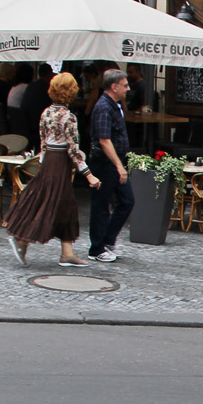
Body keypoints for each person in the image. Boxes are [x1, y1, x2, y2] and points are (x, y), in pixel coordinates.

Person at [4, 72, 102, 268]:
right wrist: (89, 175)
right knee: (51, 204)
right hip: (59, 163)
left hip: (49, 160)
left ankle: (67, 253)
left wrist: (41, 163)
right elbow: (73, 150)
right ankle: (22, 240)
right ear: (71, 91)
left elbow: (43, 143)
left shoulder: (46, 113)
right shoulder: (69, 117)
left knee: (63, 205)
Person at [87, 67, 134, 262]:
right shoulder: (103, 107)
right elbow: (104, 140)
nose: (128, 88)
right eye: (124, 85)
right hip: (104, 163)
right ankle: (96, 248)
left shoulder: (114, 105)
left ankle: (107, 240)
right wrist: (119, 165)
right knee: (101, 205)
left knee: (127, 200)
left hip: (114, 162)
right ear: (114, 86)